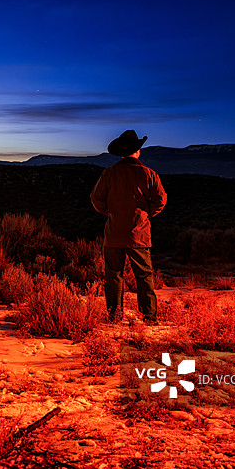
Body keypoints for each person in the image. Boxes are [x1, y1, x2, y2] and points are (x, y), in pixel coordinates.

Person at [90, 130, 167, 324]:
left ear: (122, 153)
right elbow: (160, 200)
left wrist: (111, 212)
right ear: (137, 151)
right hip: (138, 235)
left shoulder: (109, 173)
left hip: (114, 233)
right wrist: (145, 214)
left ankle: (114, 316)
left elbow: (96, 198)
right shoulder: (149, 174)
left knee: (113, 277)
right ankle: (149, 317)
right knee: (144, 277)